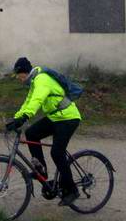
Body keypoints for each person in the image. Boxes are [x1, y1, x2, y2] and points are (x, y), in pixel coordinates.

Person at [5, 57, 82, 207]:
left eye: (18, 75)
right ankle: (41, 170)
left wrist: (25, 117)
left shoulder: (42, 79)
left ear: (23, 72)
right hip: (55, 117)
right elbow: (28, 102)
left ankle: (72, 190)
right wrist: (15, 119)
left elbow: (37, 100)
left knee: (57, 153)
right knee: (32, 133)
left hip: (68, 118)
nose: (18, 79)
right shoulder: (34, 82)